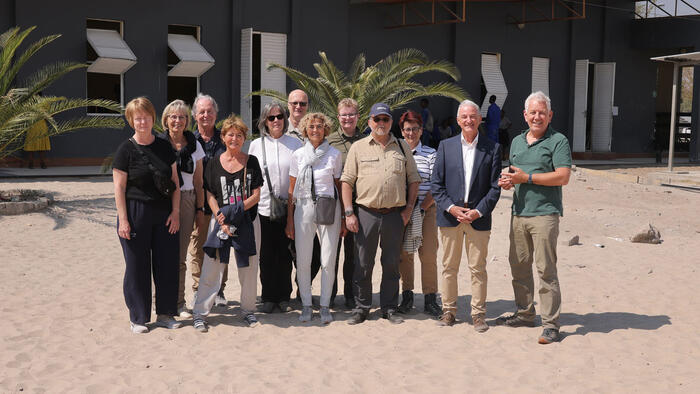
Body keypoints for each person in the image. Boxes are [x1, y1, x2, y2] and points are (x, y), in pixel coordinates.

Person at [497, 91, 572, 344]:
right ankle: (525, 313)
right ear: (525, 115)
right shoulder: (517, 142)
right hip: (518, 214)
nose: (537, 117)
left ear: (550, 116)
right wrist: (508, 182)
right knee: (518, 266)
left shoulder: (558, 141)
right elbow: (513, 173)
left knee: (545, 270)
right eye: (533, 112)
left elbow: (562, 176)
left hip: (544, 214)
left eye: (542, 112)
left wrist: (526, 178)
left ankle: (550, 324)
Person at [341, 102, 421, 325]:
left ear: (391, 122)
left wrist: (407, 210)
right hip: (366, 213)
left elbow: (414, 180)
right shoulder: (358, 147)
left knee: (392, 263)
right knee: (363, 264)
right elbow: (347, 182)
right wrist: (349, 213)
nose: (381, 123)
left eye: (385, 119)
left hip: (395, 215)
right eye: (377, 119)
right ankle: (362, 307)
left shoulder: (402, 147)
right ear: (369, 122)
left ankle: (389, 308)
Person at [430, 99, 502, 332]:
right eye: (464, 117)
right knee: (449, 267)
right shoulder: (445, 146)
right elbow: (436, 185)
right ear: (458, 120)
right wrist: (451, 208)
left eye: (473, 116)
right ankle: (449, 311)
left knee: (477, 269)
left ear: (480, 119)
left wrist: (478, 210)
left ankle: (478, 315)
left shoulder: (493, 148)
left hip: (478, 219)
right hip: (450, 218)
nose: (469, 120)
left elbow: (495, 187)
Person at [112, 97, 181, 333]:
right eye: (137, 118)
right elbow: (119, 188)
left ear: (153, 118)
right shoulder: (125, 150)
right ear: (131, 120)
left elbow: (175, 183)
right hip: (135, 213)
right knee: (137, 266)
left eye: (146, 117)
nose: (142, 121)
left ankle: (165, 314)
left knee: (166, 264)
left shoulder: (164, 147)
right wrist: (123, 220)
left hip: (164, 214)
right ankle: (138, 318)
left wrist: (176, 212)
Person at [192, 115, 263, 332]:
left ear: (244, 138)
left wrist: (237, 210)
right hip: (220, 222)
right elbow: (210, 193)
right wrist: (219, 215)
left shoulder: (251, 161)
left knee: (249, 268)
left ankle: (248, 310)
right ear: (223, 137)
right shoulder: (213, 163)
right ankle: (200, 314)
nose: (235, 138)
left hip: (248, 221)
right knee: (212, 266)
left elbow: (257, 194)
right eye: (230, 134)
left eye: (239, 135)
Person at [285, 112, 345, 324]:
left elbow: (339, 186)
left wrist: (345, 218)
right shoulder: (298, 155)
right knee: (303, 260)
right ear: (305, 130)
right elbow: (291, 189)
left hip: (329, 207)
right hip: (303, 207)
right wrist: (290, 220)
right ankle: (307, 305)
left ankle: (326, 306)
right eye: (311, 127)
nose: (315, 130)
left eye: (319, 126)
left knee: (328, 259)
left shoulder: (334, 154)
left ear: (325, 129)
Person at [248, 101, 303, 313]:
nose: (276, 121)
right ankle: (268, 296)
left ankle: (283, 297)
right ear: (265, 121)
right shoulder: (256, 145)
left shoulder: (295, 144)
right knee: (266, 254)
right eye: (271, 118)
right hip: (262, 208)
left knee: (285, 253)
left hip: (289, 207)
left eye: (279, 116)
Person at [159, 100, 205, 318]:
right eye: (173, 116)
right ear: (166, 119)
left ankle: (178, 302)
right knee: (160, 253)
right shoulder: (157, 143)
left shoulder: (195, 145)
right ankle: (160, 302)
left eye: (182, 117)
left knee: (179, 255)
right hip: (161, 201)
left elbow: (199, 181)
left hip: (187, 199)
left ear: (188, 121)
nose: (177, 120)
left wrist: (199, 209)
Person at [395, 110, 442, 317]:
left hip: (427, 210)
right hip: (402, 211)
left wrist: (422, 208)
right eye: (407, 129)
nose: (411, 133)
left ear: (421, 131)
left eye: (415, 129)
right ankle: (407, 296)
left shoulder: (431, 154)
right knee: (405, 255)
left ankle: (430, 298)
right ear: (402, 131)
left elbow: (437, 184)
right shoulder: (395, 151)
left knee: (428, 253)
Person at [186, 94, 227, 307]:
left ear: (216, 114)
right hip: (198, 204)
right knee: (198, 246)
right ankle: (197, 289)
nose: (205, 115)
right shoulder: (189, 141)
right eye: (201, 111)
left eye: (209, 111)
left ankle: (219, 290)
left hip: (223, 202)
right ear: (194, 115)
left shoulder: (225, 138)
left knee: (222, 245)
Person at [327, 98, 364, 309]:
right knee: (332, 251)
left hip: (359, 202)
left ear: (358, 116)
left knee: (353, 254)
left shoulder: (367, 140)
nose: (348, 118)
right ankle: (329, 294)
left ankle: (350, 295)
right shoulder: (329, 140)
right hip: (334, 203)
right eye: (344, 115)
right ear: (338, 117)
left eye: (351, 114)